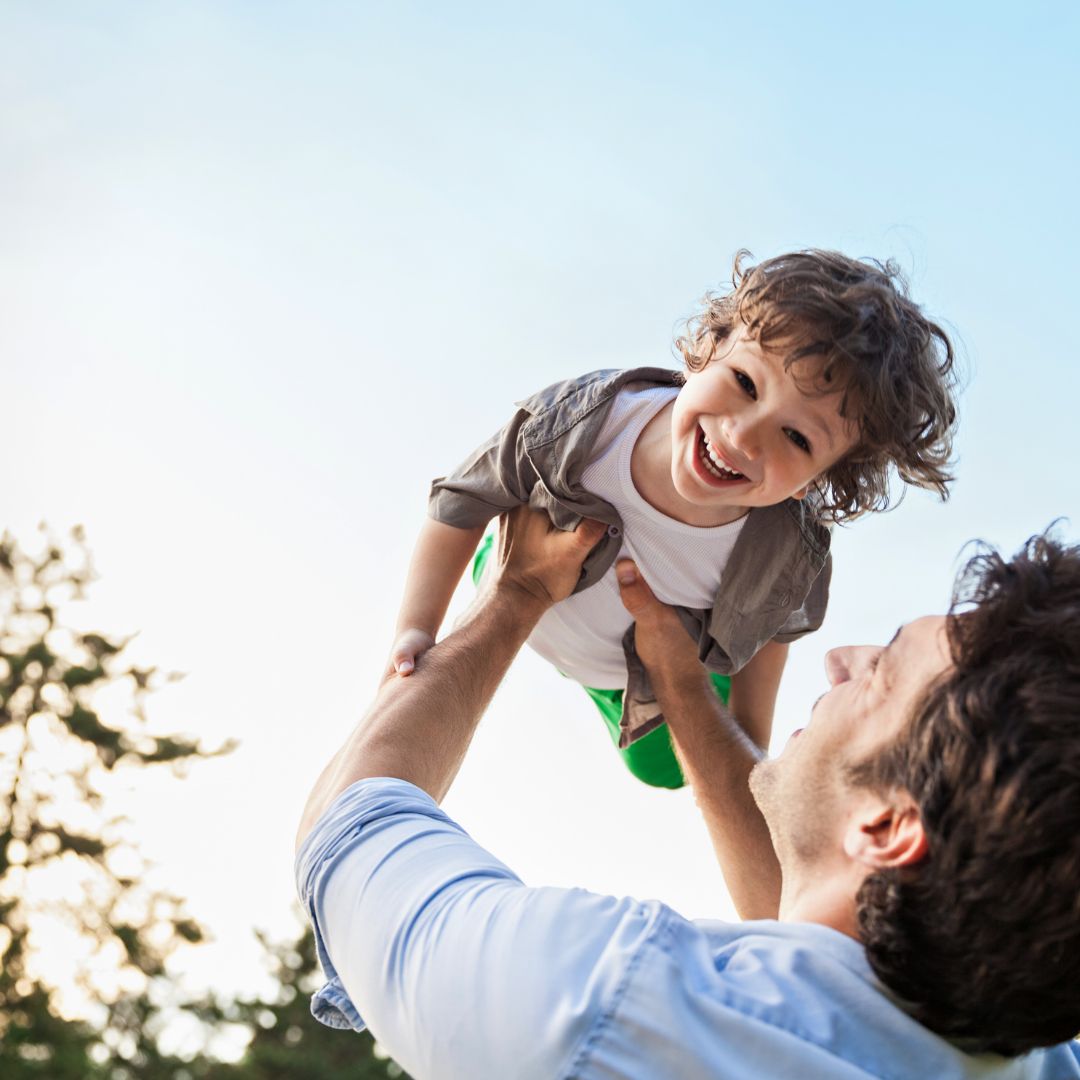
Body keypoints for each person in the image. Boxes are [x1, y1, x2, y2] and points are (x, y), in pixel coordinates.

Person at [296, 507, 1080, 1079]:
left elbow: (352, 826)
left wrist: (519, 591)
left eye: (883, 672)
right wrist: (681, 685)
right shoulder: (1041, 1047)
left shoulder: (604, 1011)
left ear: (889, 827)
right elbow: (839, 933)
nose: (842, 657)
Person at [387, 249, 958, 789]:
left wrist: (748, 746)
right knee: (495, 542)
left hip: (625, 673)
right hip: (522, 580)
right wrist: (417, 627)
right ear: (709, 348)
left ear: (816, 480)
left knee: (666, 770)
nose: (742, 436)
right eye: (744, 383)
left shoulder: (787, 555)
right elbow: (461, 500)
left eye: (795, 436)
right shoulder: (588, 424)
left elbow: (770, 638)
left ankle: (655, 691)